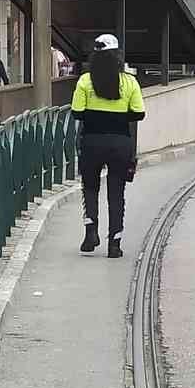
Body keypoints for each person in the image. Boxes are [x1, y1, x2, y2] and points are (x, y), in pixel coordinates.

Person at [71, 34, 145, 258]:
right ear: (118, 56)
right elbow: (139, 113)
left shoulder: (85, 80)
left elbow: (76, 112)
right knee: (117, 193)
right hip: (120, 143)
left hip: (92, 141)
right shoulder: (130, 81)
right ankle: (115, 243)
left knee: (90, 187)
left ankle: (90, 231)